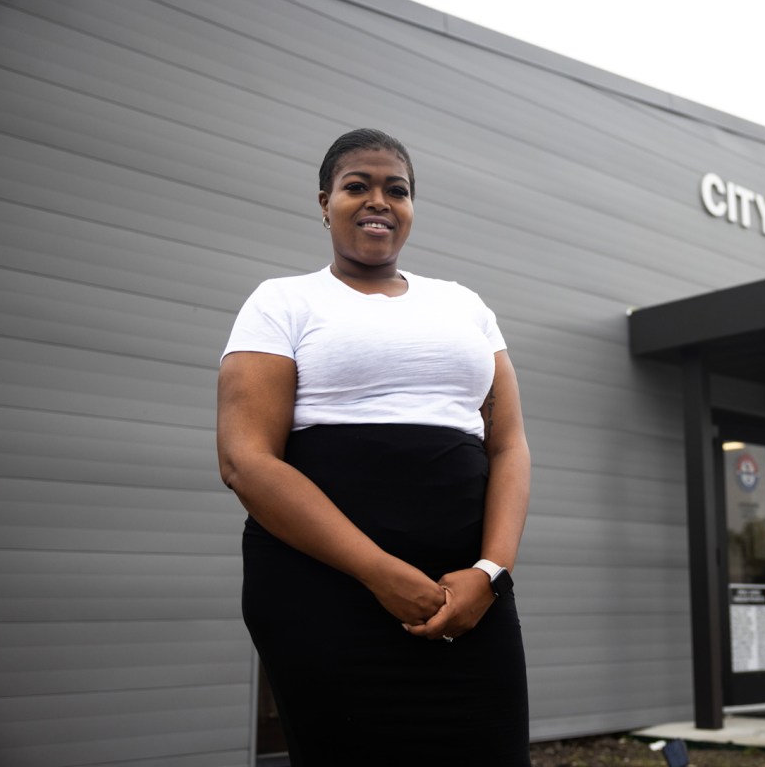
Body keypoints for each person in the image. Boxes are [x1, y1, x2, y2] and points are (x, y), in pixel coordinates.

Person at [216, 129, 531, 765]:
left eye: (397, 189)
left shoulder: (465, 305)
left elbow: (509, 446)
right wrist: (378, 572)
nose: (377, 201)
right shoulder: (283, 301)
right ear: (324, 201)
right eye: (357, 186)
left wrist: (489, 575)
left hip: (465, 598)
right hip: (324, 592)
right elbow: (245, 461)